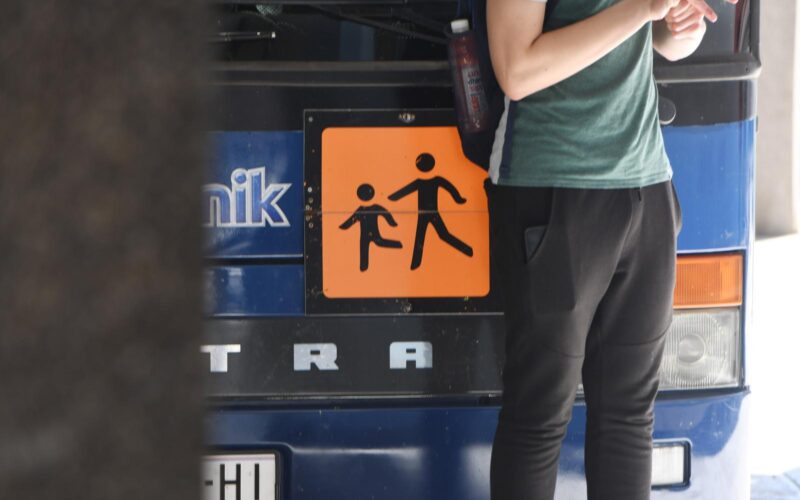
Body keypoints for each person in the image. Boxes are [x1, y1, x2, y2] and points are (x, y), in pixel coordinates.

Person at [483, 0, 736, 498]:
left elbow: (658, 41)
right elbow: (516, 70)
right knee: (538, 415)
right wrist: (642, 9)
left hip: (646, 182)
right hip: (553, 184)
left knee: (629, 418)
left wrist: (677, 26)